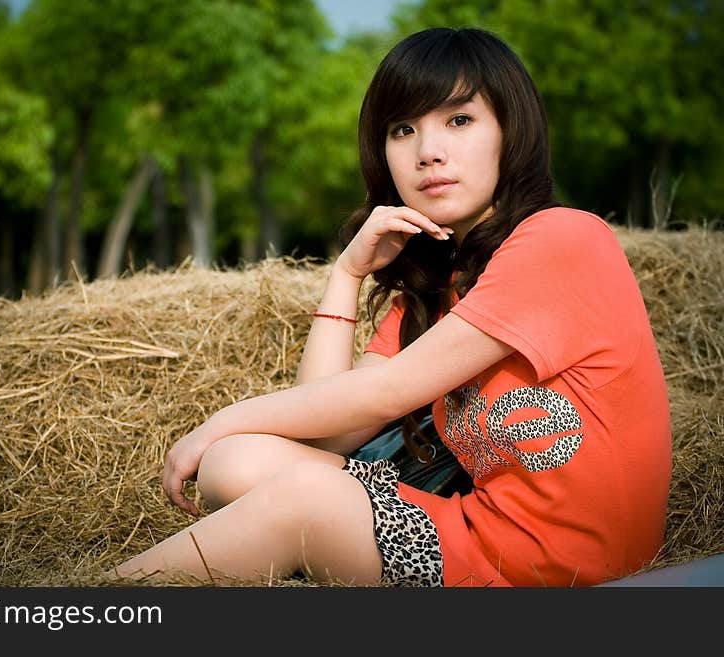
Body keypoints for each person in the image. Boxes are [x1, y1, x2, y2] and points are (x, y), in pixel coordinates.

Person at [108, 26, 672, 587]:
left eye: (459, 120)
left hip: (558, 572)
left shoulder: (562, 240)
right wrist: (347, 274)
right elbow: (325, 431)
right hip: (474, 529)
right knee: (235, 461)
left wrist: (216, 421)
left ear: (511, 132)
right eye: (404, 129)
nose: (428, 152)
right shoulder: (438, 289)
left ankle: (94, 602)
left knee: (292, 489)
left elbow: (385, 392)